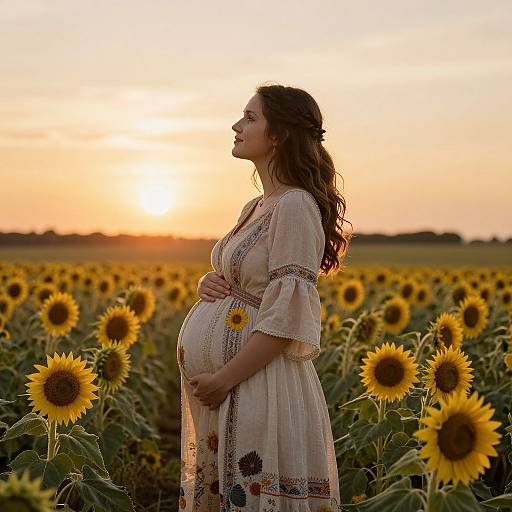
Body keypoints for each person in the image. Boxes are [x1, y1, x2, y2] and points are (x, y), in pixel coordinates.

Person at [176, 82, 352, 511]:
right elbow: (247, 281)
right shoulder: (257, 205)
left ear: (278, 135)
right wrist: (210, 285)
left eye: (250, 118)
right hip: (232, 390)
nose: (237, 126)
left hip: (257, 387)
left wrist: (223, 378)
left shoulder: (295, 206)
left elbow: (286, 317)